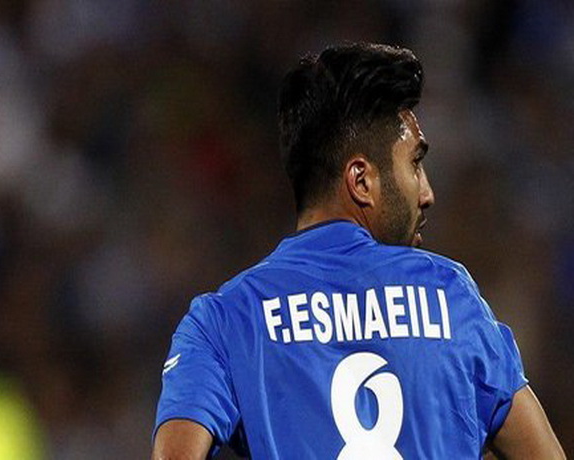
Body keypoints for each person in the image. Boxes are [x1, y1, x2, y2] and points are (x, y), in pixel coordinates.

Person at [151, 42, 565, 459]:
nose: (427, 193)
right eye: (415, 164)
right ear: (362, 180)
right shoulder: (450, 296)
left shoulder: (224, 319)